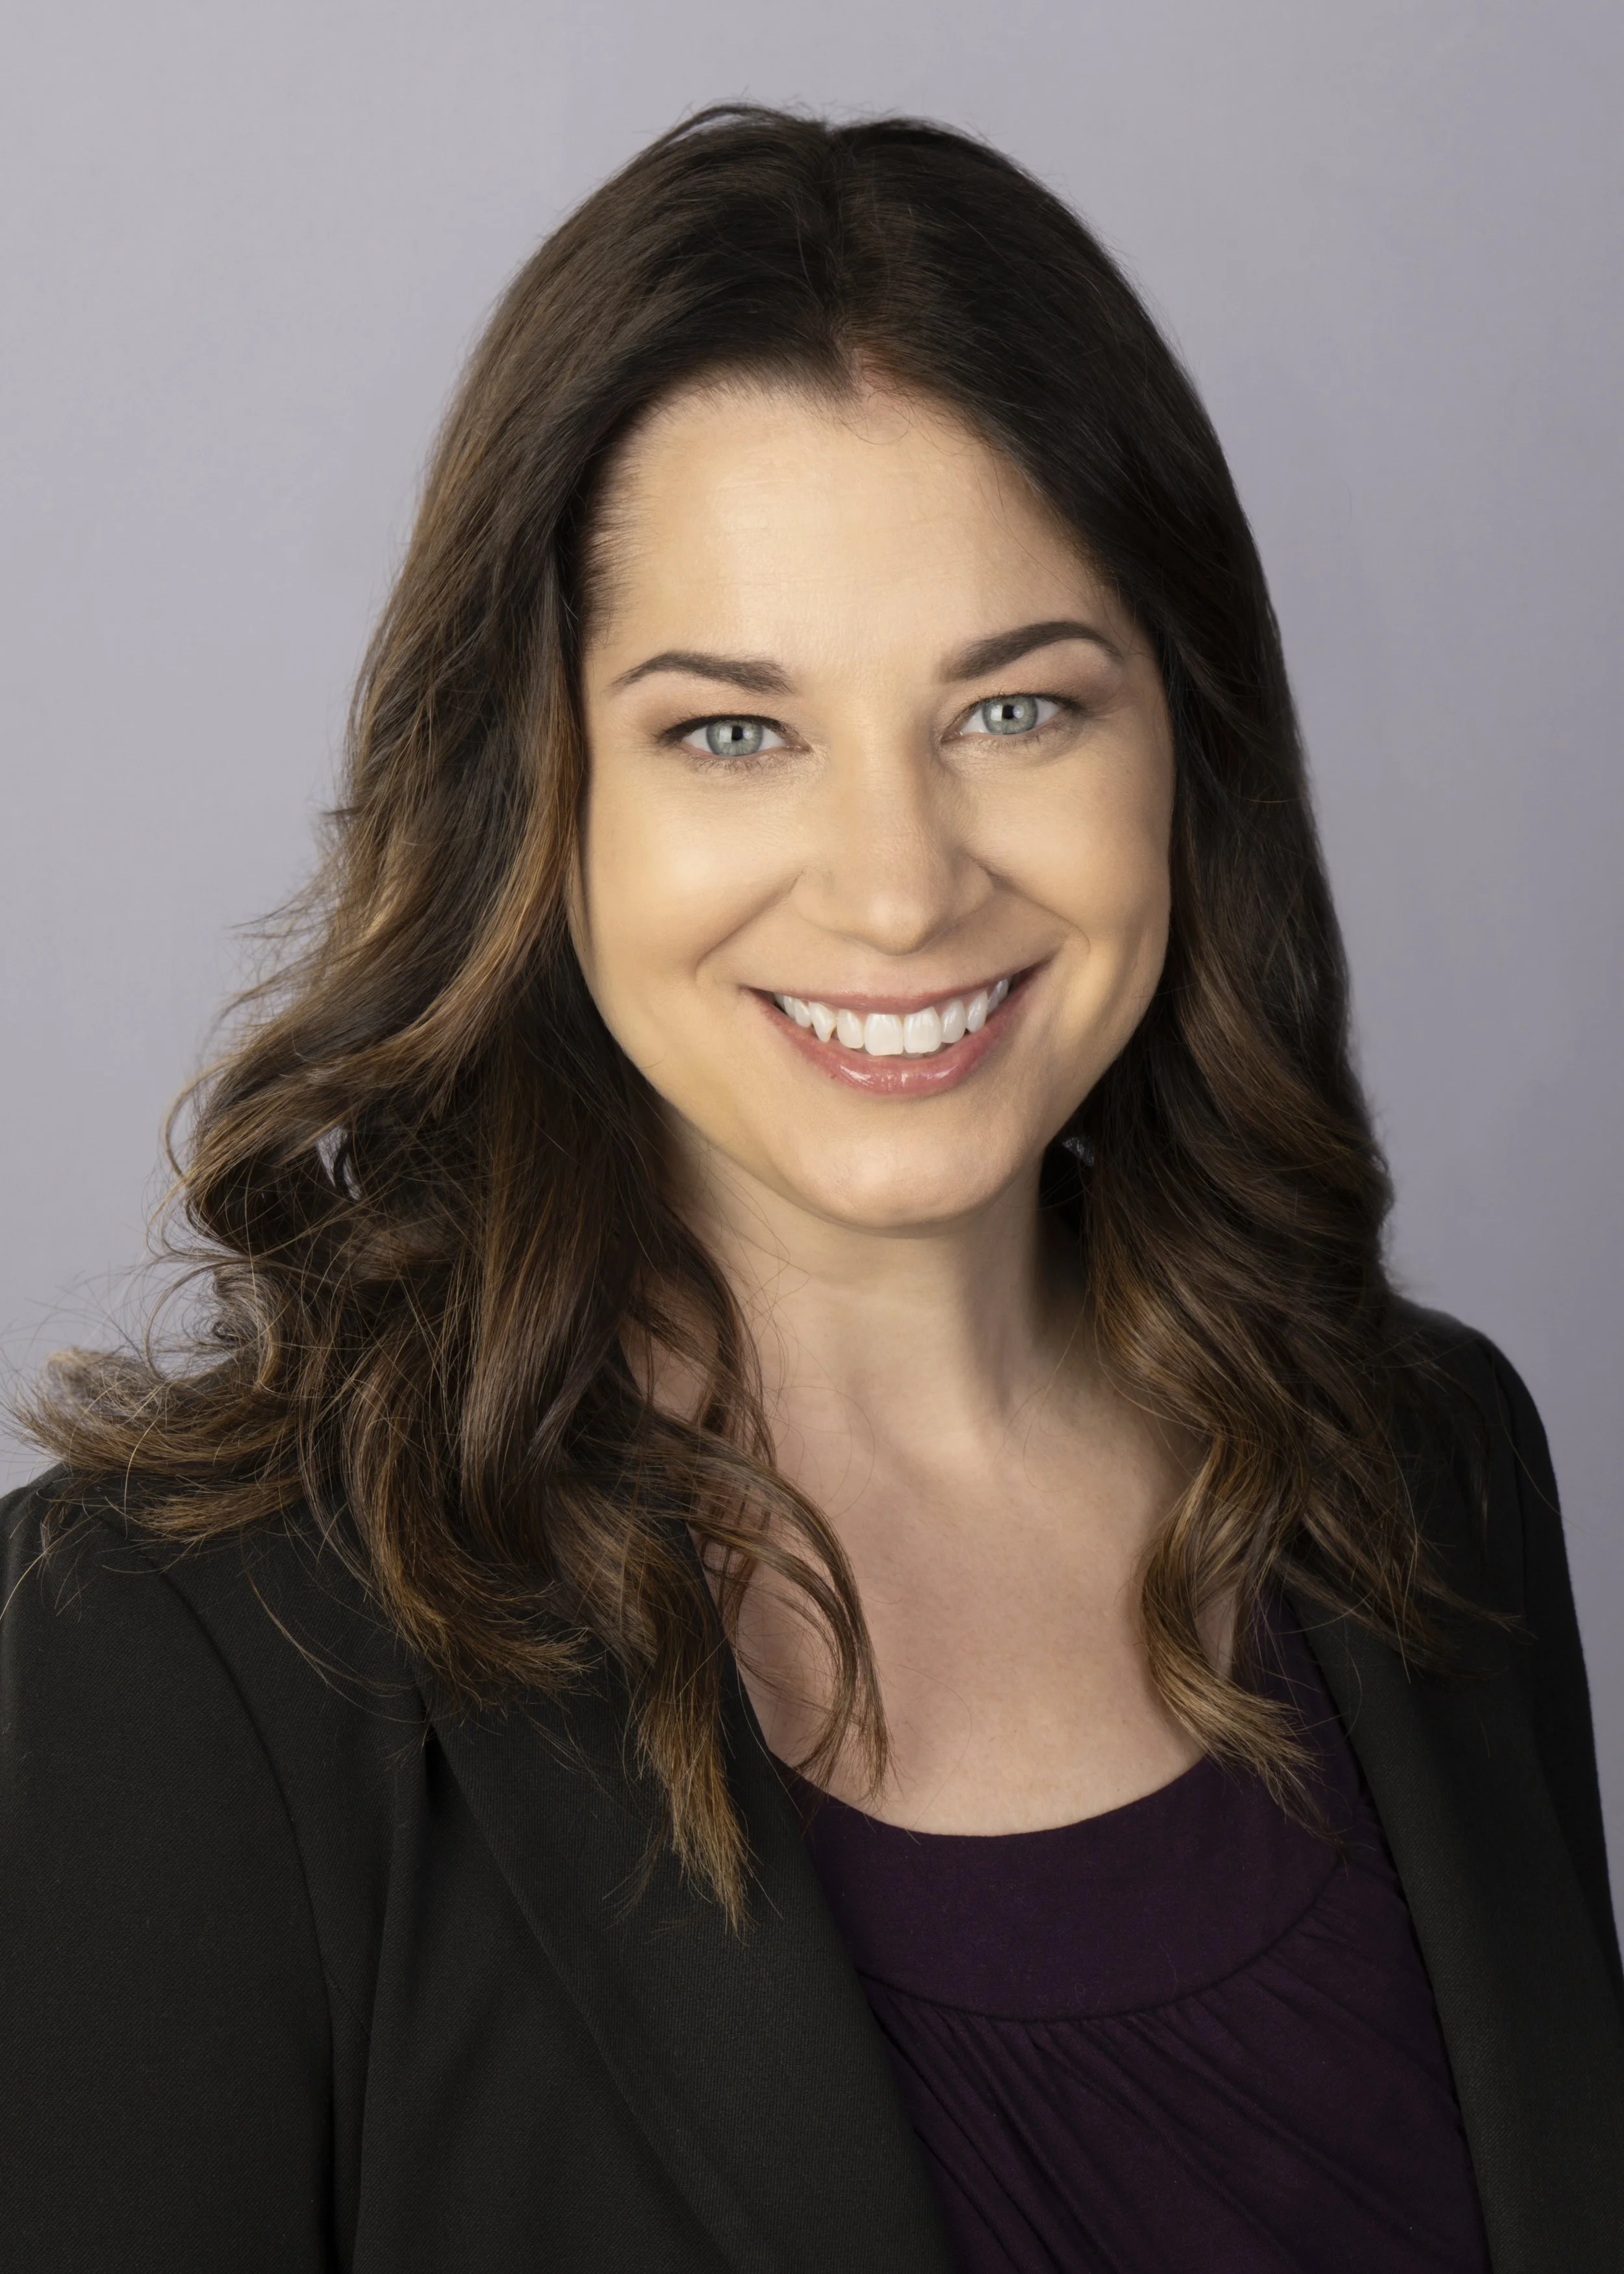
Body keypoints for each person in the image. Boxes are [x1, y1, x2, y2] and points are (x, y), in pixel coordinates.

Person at [2, 105, 1619, 2274]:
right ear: (539, 793)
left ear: (1185, 747)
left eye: (1019, 708)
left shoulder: (1427, 1472)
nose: (896, 884)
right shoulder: (167, 1661)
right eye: (732, 733)